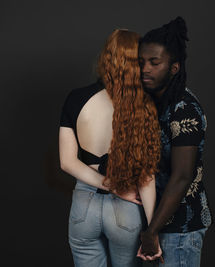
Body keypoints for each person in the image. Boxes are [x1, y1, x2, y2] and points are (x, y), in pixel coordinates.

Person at [59, 29, 162, 267]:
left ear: (106, 58)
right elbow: (146, 177)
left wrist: (109, 186)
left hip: (84, 207)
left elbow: (67, 161)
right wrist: (152, 231)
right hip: (126, 209)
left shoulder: (76, 98)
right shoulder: (144, 105)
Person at [136, 17, 213, 267]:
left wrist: (151, 232)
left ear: (174, 67)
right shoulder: (155, 104)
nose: (145, 68)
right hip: (156, 225)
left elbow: (182, 176)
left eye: (154, 62)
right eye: (142, 62)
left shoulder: (185, 109)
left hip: (179, 228)